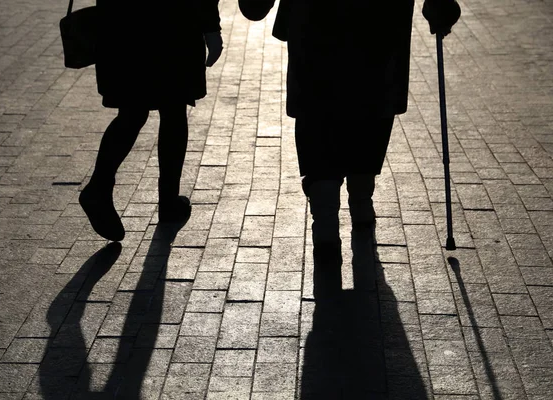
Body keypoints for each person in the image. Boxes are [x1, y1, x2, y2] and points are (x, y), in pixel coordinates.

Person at [239, 0, 461, 296]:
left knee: (318, 115)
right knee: (371, 105)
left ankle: (327, 219)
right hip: (379, 23)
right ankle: (360, 196)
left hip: (314, 25)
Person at [79, 0, 223, 242]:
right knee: (174, 108)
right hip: (175, 22)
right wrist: (211, 28)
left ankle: (100, 186)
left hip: (123, 22)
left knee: (133, 110)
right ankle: (168, 200)